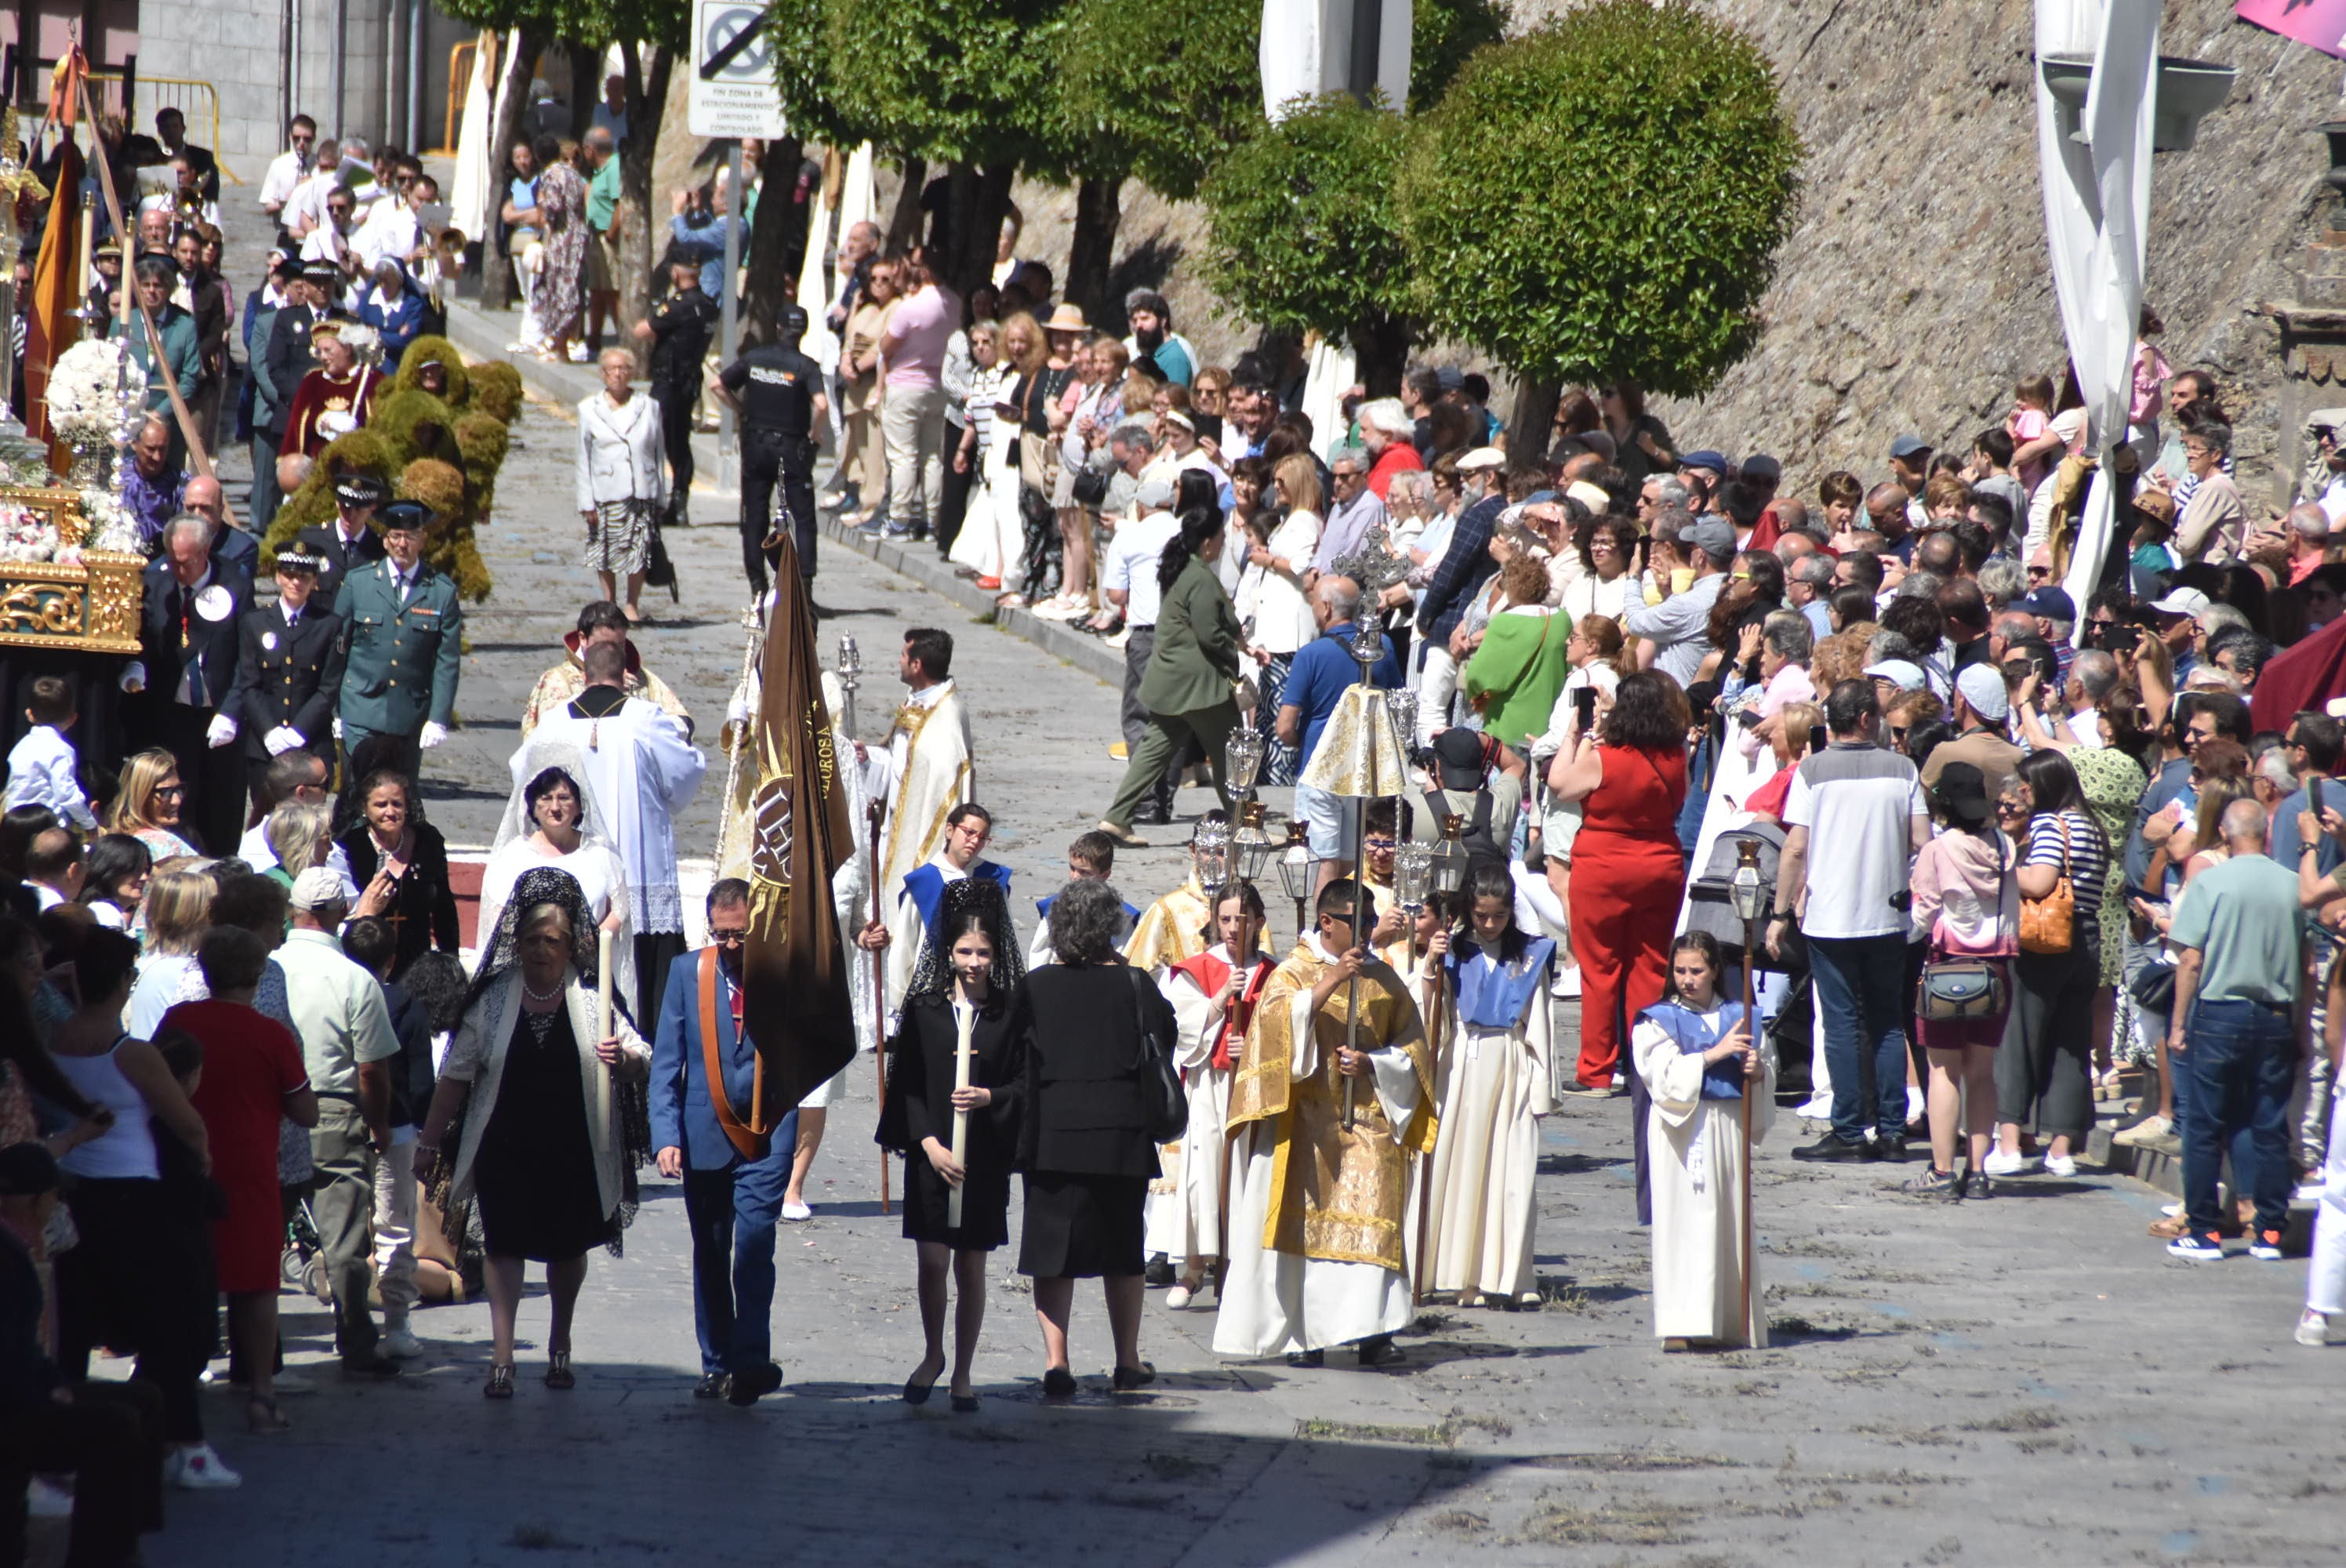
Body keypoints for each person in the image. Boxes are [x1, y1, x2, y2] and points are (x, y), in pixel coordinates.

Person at [416, 870, 652, 1397]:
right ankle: (502, 1356)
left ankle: (560, 1343)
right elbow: (454, 1077)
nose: (542, 951)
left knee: (568, 1248)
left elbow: (642, 1057)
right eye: (531, 940)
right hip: (506, 1147)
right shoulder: (494, 1001)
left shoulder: (594, 997)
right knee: (504, 1245)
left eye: (553, 940)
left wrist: (628, 1060)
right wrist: (430, 1144)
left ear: (572, 945)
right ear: (514, 943)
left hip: (572, 1147)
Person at [1215, 879, 1434, 1367]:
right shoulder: (1294, 971)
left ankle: (1374, 1332)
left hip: (1369, 1122)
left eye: (1369, 923)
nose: (1367, 933)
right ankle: (1306, 1334)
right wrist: (1332, 980)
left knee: (1376, 1224)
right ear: (1328, 922)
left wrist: (1375, 1063)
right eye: (1357, 924)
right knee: (1305, 1236)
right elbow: (1271, 1034)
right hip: (1305, 1125)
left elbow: (1415, 1046)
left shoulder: (1386, 977)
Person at [48, 927, 236, 1486]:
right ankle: (187, 1446)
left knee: (72, 1331)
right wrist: (200, 1161)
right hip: (140, 1202)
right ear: (123, 982)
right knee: (169, 1328)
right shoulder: (130, 1053)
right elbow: (188, 1122)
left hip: (75, 1192)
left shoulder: (51, 1039)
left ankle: (61, 1453)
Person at [1015, 879, 1168, 1394]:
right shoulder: (1134, 983)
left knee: (1051, 1253)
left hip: (1052, 1134)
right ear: (1110, 928)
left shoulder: (1034, 986)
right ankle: (1127, 1360)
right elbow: (1165, 1038)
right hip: (1120, 1133)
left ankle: (1057, 1363)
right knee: (1124, 1250)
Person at [650, 879, 798, 1404]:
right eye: (723, 935)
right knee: (712, 1251)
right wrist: (665, 1135)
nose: (732, 946)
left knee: (755, 1247)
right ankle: (716, 1362)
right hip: (704, 1131)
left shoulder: (781, 971)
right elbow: (667, 1060)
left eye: (741, 935)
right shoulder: (689, 973)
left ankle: (750, 1360)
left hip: (769, 1131)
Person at [1770, 679, 1930, 1163]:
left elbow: (1796, 846)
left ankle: (1847, 1130)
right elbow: (1921, 840)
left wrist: (1779, 913)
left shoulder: (1812, 770)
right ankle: (1892, 1130)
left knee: (1841, 1024)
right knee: (1885, 1022)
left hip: (1830, 915)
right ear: (1865, 719)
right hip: (1886, 913)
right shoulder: (1903, 768)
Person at [881, 880, 1025, 1411]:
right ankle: (932, 1352)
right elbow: (909, 1087)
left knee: (972, 1268)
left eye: (983, 952)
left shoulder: (1008, 1012)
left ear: (995, 953)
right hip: (932, 1156)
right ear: (948, 952)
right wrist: (929, 1144)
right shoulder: (925, 1010)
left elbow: (1024, 1082)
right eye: (965, 952)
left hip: (983, 1157)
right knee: (931, 1263)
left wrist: (991, 1095)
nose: (974, 962)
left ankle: (963, 1371)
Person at [510, 641, 706, 1025]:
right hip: (637, 871)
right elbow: (686, 773)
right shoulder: (646, 719)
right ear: (626, 677)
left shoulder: (554, 722)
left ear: (583, 676)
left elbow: (523, 774)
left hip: (573, 868)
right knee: (646, 990)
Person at [169, 925, 317, 1428]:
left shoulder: (177, 1021)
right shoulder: (269, 1034)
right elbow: (306, 1111)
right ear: (258, 974)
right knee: (257, 1284)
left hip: (184, 1165)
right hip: (252, 1168)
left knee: (186, 1276)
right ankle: (261, 1393)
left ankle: (176, 1385)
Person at [0, 1142, 169, 1566]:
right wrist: (45, 1394)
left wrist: (55, 1383)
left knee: (142, 1398)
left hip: (26, 1390)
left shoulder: (16, 1250)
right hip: (13, 1409)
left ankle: (125, 1542)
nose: (58, 1206)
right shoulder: (6, 1258)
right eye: (55, 1196)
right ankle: (102, 1557)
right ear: (36, 1201)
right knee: (114, 1426)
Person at [275, 868, 405, 1377]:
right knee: (346, 1242)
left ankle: (257, 1343)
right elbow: (372, 1069)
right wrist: (379, 1127)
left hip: (277, 1108)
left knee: (266, 1234)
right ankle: (355, 1342)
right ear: (337, 916)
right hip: (332, 1109)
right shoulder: (355, 978)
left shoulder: (268, 967)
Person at [2162, 799, 2301, 1261]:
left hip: (2220, 1012)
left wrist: (2178, 1024)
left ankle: (2204, 1231)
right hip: (2275, 1014)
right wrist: (2298, 1023)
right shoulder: (2291, 885)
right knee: (2269, 1124)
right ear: (2263, 831)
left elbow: (2190, 958)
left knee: (2203, 1126)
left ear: (2225, 832)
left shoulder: (2211, 881)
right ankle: (2270, 1230)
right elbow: (2306, 965)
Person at [1547, 670, 1690, 1101]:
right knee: (1649, 967)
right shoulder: (1675, 756)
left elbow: (1560, 783)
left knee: (1599, 970)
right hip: (1660, 862)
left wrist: (1580, 735)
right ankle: (1644, 1063)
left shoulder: (1605, 756)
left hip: (1604, 864)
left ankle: (1596, 1070)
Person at [1422, 863, 1556, 1308]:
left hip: (1510, 1063)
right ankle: (1463, 1277)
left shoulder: (1531, 955)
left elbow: (1540, 1023)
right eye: (1481, 916)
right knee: (1462, 1168)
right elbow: (1431, 1018)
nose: (1490, 924)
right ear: (1469, 910)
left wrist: (1540, 1086)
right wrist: (1430, 965)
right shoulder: (1453, 951)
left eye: (1499, 916)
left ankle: (1515, 1274)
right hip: (1461, 1063)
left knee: (1512, 1169)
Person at [1632, 931, 1772, 1350]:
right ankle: (1681, 1321)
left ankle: (1729, 1318)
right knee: (1684, 1220)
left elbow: (1766, 1066)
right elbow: (1660, 1076)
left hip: (1727, 1123)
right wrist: (1713, 1054)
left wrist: (1758, 1069)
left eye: (1696, 970)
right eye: (1679, 971)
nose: (1687, 979)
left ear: (1714, 970)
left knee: (1727, 1216)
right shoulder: (1657, 1019)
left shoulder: (1741, 1014)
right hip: (1682, 1129)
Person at [1986, 749, 2111, 1180]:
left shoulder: (2049, 823)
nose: (2021, 794)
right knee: (2071, 1045)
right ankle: (2061, 1150)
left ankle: (2008, 1144)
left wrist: (2000, 869)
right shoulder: (2091, 826)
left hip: (2045, 941)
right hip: (2087, 939)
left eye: (2027, 785)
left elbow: (2040, 881)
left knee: (2017, 1038)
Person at [1150, 881, 1273, 1308]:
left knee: (1243, 1173)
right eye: (1225, 919)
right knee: (1202, 1173)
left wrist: (1253, 1045)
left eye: (1242, 920)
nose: (1233, 929)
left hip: (1250, 1088)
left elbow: (1286, 1031)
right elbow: (1178, 1028)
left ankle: (1240, 1266)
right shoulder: (1197, 968)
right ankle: (1194, 1268)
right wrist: (1219, 1001)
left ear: (1259, 922)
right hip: (1209, 1082)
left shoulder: (1275, 974)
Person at [1905, 764, 2019, 1200]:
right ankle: (1978, 1172)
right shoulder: (2004, 844)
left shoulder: (1939, 849)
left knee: (1942, 1071)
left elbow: (1924, 910)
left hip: (1949, 968)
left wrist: (1907, 931)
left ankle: (1941, 1170)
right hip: (1996, 970)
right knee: (1982, 1072)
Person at [1098, 510, 1245, 847]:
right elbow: (1210, 634)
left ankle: (1117, 817)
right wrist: (1234, 652)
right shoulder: (1200, 577)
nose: (1224, 542)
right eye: (1221, 537)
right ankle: (1245, 822)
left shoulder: (1182, 569)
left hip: (1173, 678)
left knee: (1153, 750)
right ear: (1208, 542)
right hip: (1200, 683)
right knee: (1230, 753)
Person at [125, 514, 250, 856]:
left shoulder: (235, 584)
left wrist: (231, 711)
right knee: (177, 798)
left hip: (219, 714)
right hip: (172, 711)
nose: (179, 570)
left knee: (221, 804)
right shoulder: (156, 582)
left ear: (206, 551)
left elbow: (246, 658)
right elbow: (144, 637)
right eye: (173, 561)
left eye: (186, 563)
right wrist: (135, 666)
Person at [332, 499, 464, 798]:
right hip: (361, 707)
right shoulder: (359, 582)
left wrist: (438, 717)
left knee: (400, 797)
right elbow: (337, 647)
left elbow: (447, 661)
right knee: (356, 793)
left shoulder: (440, 592)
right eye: (395, 536)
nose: (402, 544)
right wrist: (334, 709)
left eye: (410, 537)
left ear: (423, 540)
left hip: (408, 713)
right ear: (385, 540)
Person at [875, 628, 977, 990]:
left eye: (904, 656)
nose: (899, 661)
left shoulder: (945, 721)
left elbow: (945, 794)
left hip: (919, 838)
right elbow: (899, 763)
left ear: (917, 664)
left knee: (913, 929)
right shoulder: (917, 700)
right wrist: (869, 759)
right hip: (895, 827)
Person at [220, 546, 345, 818]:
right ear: (278, 577)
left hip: (311, 742)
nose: (296, 583)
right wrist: (269, 731)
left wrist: (299, 731)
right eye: (289, 575)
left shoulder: (329, 625)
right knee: (266, 820)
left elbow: (328, 688)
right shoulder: (255, 622)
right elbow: (249, 683)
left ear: (315, 581)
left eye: (304, 577)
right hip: (266, 745)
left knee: (310, 821)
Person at [712, 305, 826, 597]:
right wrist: (816, 435)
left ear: (778, 328)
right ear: (803, 332)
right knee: (802, 517)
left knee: (755, 515)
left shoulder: (754, 358)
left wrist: (741, 411)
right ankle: (805, 584)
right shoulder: (806, 365)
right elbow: (822, 404)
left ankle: (757, 583)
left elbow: (718, 385)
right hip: (791, 446)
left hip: (757, 444)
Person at [337, 769, 460, 978]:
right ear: (364, 808)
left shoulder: (428, 841)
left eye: (397, 804)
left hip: (418, 964)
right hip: (368, 964)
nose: (390, 812)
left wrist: (451, 960)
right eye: (381, 805)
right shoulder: (350, 846)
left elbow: (444, 907)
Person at [576, 347, 665, 621]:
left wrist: (661, 495)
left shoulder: (649, 406)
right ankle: (609, 602)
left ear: (632, 372)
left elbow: (659, 452)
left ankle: (632, 604)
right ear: (603, 374)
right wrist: (585, 501)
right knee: (605, 550)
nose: (618, 374)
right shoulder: (589, 408)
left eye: (624, 368)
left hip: (640, 489)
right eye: (612, 369)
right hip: (605, 492)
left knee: (638, 550)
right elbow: (583, 457)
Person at [876, 245, 956, 542]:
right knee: (932, 455)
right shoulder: (955, 303)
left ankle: (899, 519)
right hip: (939, 386)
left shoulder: (910, 307)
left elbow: (886, 346)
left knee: (903, 456)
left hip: (906, 384)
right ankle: (933, 518)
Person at [634, 254, 718, 526]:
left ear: (677, 274)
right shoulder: (708, 305)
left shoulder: (679, 306)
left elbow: (642, 330)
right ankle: (679, 503)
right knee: (679, 443)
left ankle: (654, 501)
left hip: (667, 382)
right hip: (690, 382)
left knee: (652, 441)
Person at [5, 675, 98, 829]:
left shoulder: (21, 747)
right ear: (73, 718)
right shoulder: (61, 750)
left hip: (15, 821)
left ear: (29, 714)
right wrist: (89, 823)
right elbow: (66, 793)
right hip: (46, 826)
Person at [278, 316, 380, 458]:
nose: (323, 357)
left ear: (347, 349)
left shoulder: (371, 380)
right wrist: (324, 420)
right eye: (320, 352)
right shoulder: (313, 380)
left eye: (328, 350)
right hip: (316, 463)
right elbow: (298, 419)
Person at [296, 470, 390, 597]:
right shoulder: (312, 539)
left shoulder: (380, 550)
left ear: (372, 508)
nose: (351, 515)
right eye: (346, 508)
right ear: (337, 503)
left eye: (358, 509)